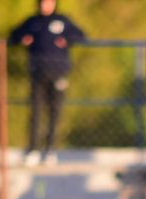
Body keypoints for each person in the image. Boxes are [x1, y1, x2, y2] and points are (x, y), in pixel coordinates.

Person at [9, 0, 87, 165]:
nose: (46, 6)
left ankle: (50, 149)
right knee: (36, 112)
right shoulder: (33, 22)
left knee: (54, 112)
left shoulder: (62, 21)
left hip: (58, 72)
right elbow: (14, 36)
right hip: (37, 73)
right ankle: (33, 149)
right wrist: (23, 39)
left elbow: (80, 35)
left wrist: (67, 39)